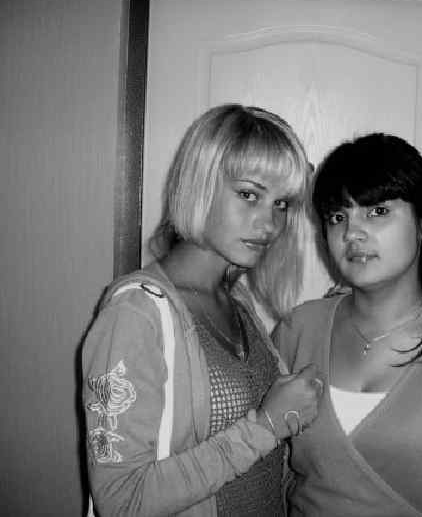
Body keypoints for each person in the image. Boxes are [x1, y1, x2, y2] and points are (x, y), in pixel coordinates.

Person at [82, 104, 323, 517]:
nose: (269, 224)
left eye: (281, 204)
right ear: (200, 184)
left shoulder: (237, 301)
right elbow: (121, 500)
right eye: (249, 195)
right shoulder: (136, 315)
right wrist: (265, 427)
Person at [273, 133, 422, 516]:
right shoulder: (298, 329)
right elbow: (272, 471)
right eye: (338, 217)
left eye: (377, 211)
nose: (352, 233)